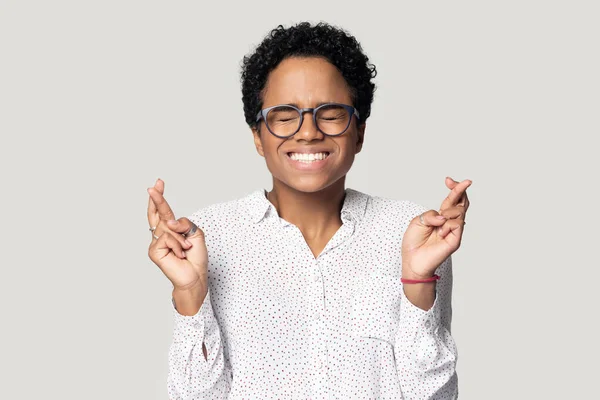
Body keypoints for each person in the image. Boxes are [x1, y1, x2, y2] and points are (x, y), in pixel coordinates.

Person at [147, 21, 471, 400]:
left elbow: (434, 396)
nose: (307, 132)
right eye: (285, 116)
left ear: (359, 132)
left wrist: (418, 282)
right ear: (258, 136)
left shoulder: (411, 234)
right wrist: (190, 293)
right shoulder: (210, 238)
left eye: (330, 113)